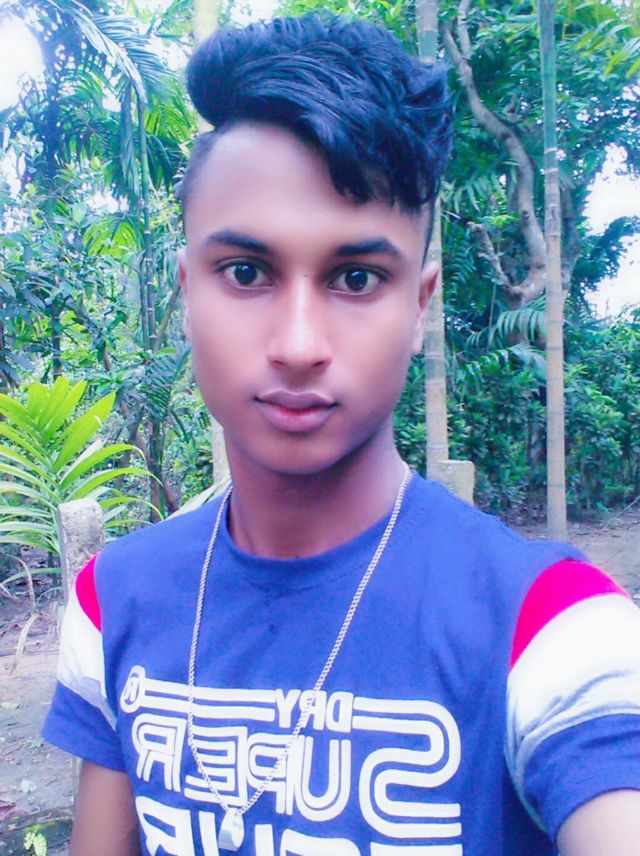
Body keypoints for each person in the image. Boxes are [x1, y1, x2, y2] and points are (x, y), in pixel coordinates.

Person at [43, 13, 640, 856]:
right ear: (187, 291)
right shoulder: (114, 604)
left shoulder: (551, 630)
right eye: (245, 272)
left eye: (356, 278)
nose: (298, 345)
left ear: (419, 306)